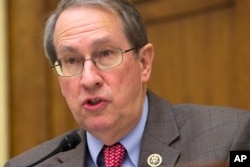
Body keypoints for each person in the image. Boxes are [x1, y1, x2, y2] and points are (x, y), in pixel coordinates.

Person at [5, 0, 250, 167]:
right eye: (71, 60)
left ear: (144, 63)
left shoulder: (232, 137)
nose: (89, 79)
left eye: (106, 54)